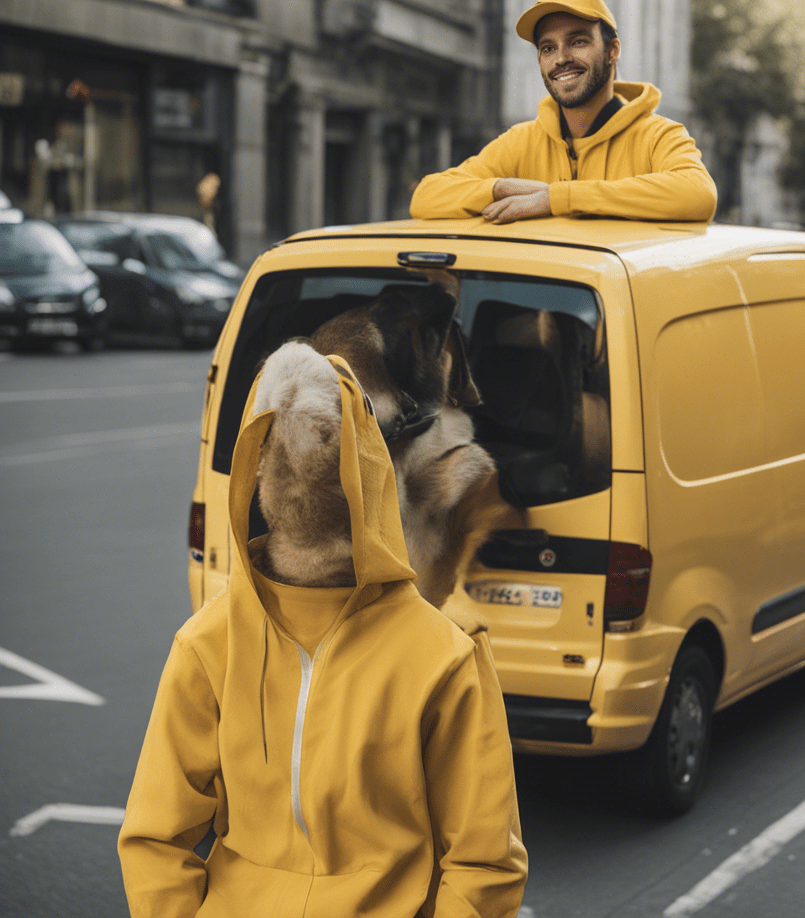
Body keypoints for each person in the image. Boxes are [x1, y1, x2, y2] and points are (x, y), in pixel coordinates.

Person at [118, 357, 528, 918]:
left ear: (257, 479)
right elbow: (486, 864)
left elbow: (154, 842)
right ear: (376, 475)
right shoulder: (444, 648)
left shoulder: (208, 641)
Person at [410, 0, 717, 224]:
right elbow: (425, 197)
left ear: (612, 51)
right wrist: (501, 188)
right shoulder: (522, 141)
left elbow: (697, 194)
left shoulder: (658, 136)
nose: (561, 59)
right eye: (547, 48)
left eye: (578, 41)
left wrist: (556, 199)